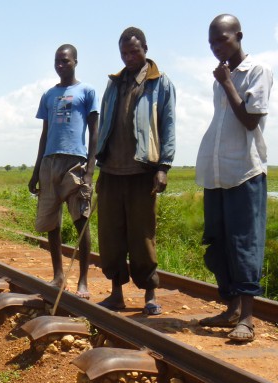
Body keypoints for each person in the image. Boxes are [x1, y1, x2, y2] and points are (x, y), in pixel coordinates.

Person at [195, 14, 273, 343]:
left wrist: (228, 82)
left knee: (244, 244)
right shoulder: (219, 78)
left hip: (245, 171)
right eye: (212, 42)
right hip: (217, 174)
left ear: (238, 36)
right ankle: (230, 309)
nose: (216, 47)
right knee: (219, 243)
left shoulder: (257, 71)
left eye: (222, 40)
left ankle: (248, 318)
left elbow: (250, 121)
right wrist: (223, 80)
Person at [95, 26, 176, 315]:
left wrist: (163, 168)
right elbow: (105, 123)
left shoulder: (160, 82)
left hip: (142, 173)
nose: (130, 57)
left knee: (142, 237)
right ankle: (116, 294)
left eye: (134, 51)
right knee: (111, 237)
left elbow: (167, 126)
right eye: (125, 52)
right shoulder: (114, 83)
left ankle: (150, 295)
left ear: (145, 49)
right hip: (111, 172)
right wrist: (98, 162)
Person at [28, 44, 99, 298]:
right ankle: (58, 275)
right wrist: (36, 170)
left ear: (76, 62)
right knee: (51, 223)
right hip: (50, 162)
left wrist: (90, 170)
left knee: (81, 221)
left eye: (65, 61)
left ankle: (83, 281)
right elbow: (45, 133)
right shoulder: (48, 95)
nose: (61, 65)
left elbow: (94, 133)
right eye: (57, 61)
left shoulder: (87, 92)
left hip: (75, 162)